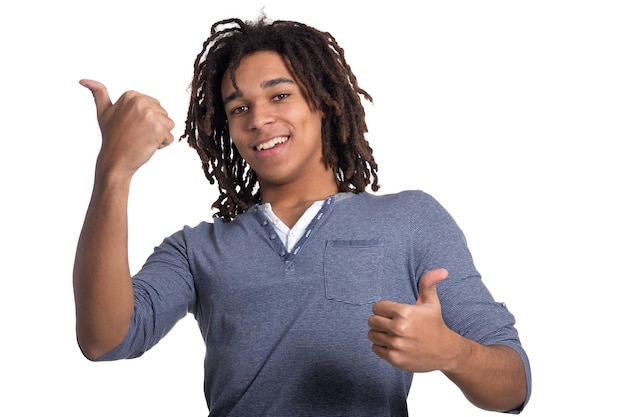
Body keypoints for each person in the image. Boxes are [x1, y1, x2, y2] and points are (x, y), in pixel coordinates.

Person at [73, 15, 532, 416]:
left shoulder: (411, 219)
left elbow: (514, 385)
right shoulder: (197, 249)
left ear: (324, 100)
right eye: (239, 108)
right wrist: (113, 171)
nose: (258, 120)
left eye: (279, 96)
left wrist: (453, 353)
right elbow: (105, 340)